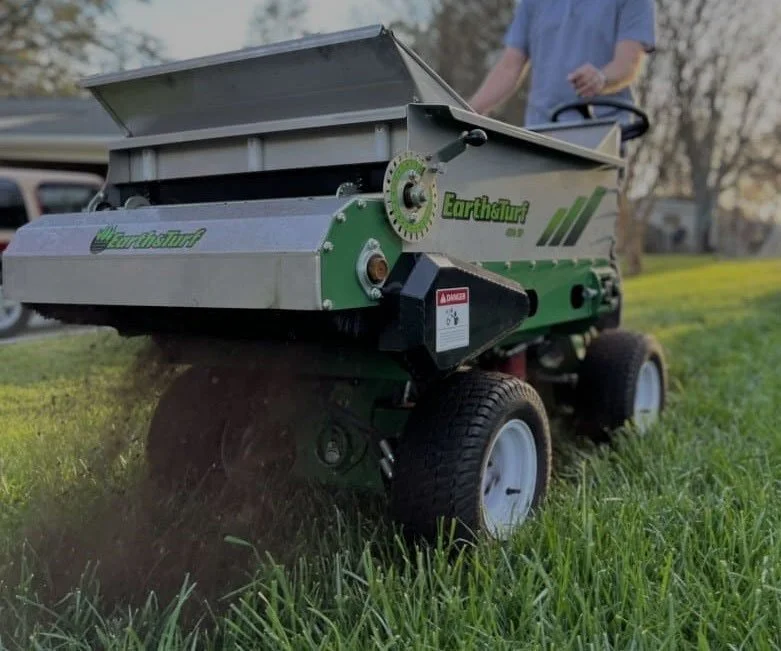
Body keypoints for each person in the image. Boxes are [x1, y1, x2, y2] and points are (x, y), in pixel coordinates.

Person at [468, 0, 657, 127]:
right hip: (540, 134)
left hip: (601, 136)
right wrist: (466, 112)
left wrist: (601, 78)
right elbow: (509, 67)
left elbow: (628, 63)